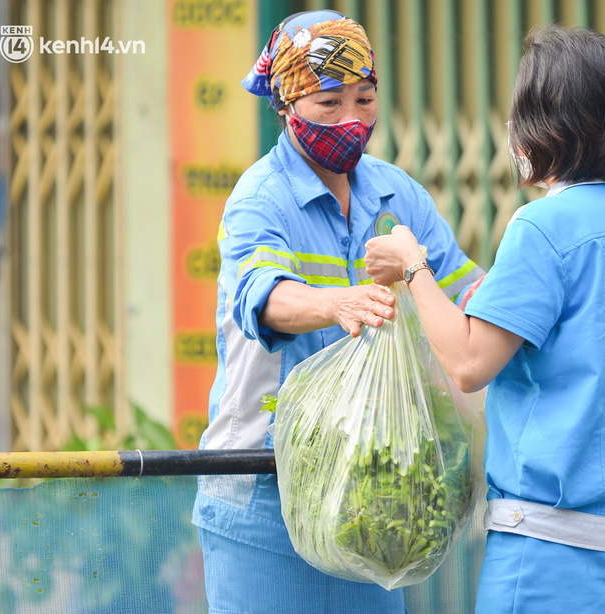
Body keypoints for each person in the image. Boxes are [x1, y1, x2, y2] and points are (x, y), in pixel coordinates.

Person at [365, 25, 605, 614]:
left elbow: (470, 363)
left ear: (547, 127)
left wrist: (413, 266)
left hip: (553, 544)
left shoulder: (543, 227)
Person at [192, 10, 483, 613]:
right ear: (287, 104)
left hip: (376, 491)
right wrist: (337, 302)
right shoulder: (260, 197)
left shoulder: (399, 196)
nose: (352, 119)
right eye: (328, 102)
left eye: (365, 97)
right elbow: (263, 296)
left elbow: (462, 289)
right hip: (262, 494)